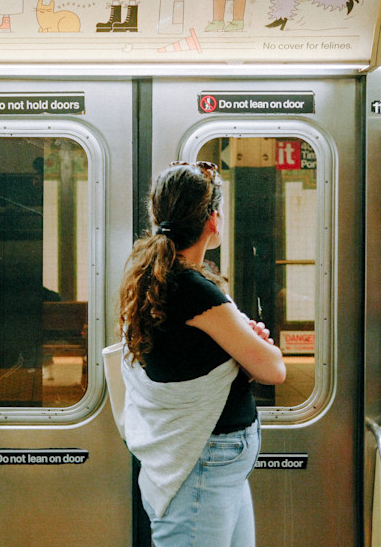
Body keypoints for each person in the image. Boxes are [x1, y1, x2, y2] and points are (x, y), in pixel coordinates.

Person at [118, 161, 286, 547]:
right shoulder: (193, 289)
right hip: (205, 459)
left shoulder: (159, 277)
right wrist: (251, 347)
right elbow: (273, 369)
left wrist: (242, 345)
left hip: (214, 460)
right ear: (213, 220)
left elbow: (193, 356)